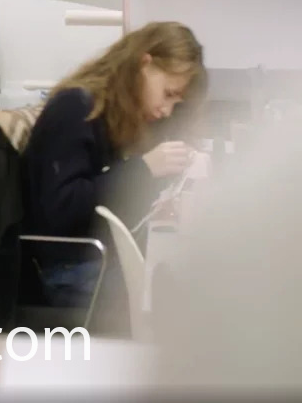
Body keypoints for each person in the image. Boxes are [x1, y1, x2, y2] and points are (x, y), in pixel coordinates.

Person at [21, 21, 207, 325]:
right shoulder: (75, 107)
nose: (166, 110)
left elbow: (101, 190)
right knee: (180, 303)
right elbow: (61, 209)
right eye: (168, 94)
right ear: (145, 64)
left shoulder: (111, 114)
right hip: (68, 269)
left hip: (87, 259)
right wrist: (143, 170)